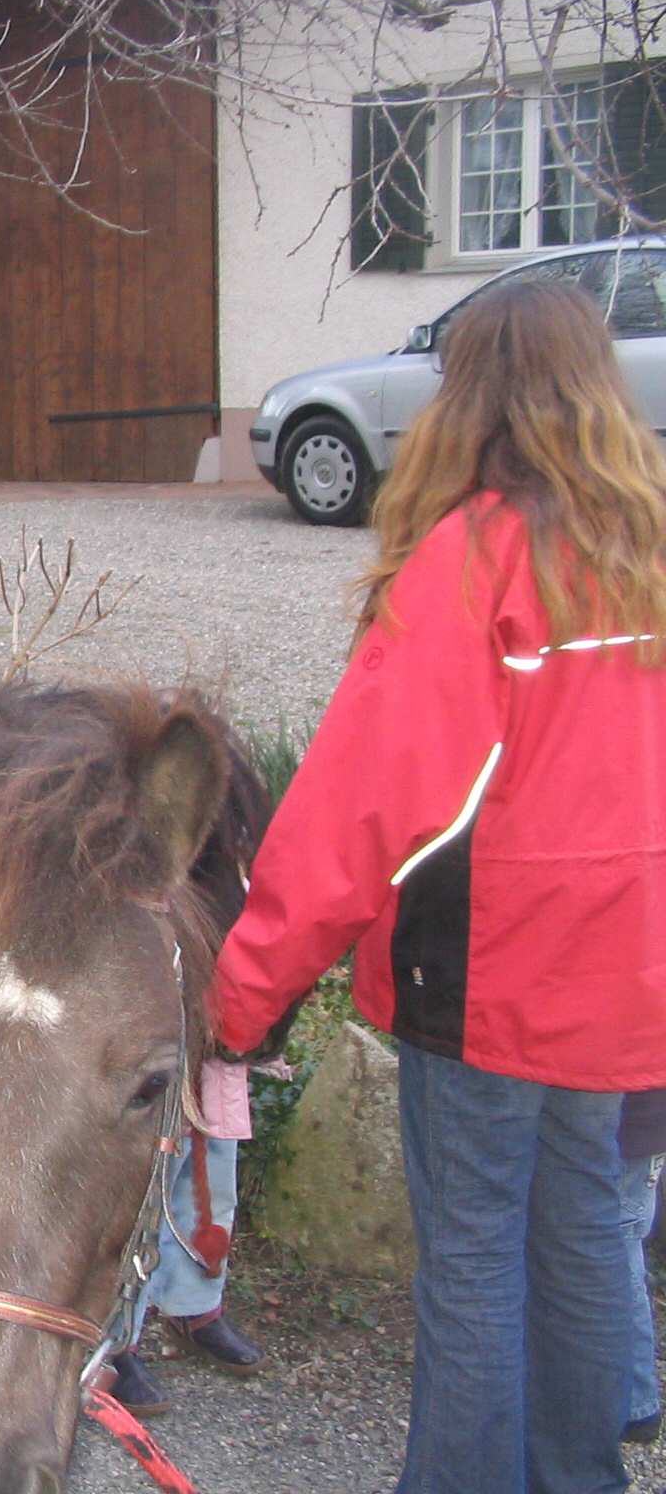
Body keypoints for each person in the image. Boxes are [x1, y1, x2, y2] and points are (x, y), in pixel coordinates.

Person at [212, 281, 666, 1494]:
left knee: (472, 1256)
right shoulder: (646, 550)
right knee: (582, 1231)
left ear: (465, 399)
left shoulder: (470, 561)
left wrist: (237, 996)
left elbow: (357, 812)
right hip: (622, 978)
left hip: (486, 979)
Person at [108, 1067, 266, 1413]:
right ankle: (110, 1337)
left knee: (211, 1170)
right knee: (141, 1187)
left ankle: (191, 1305)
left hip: (215, 1051)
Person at [621, 1090, 665, 1445]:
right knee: (625, 1246)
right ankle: (637, 1400)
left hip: (632, 1125)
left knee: (617, 1254)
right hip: (647, 1124)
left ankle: (635, 1402)